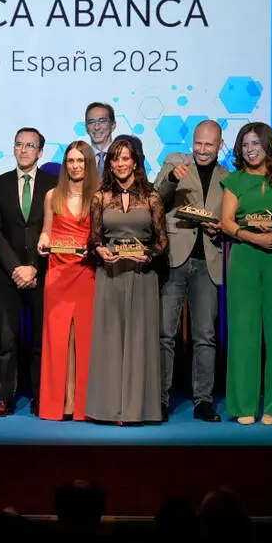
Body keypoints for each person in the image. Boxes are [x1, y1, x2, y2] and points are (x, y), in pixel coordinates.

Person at [218, 122, 272, 425]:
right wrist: (254, 237)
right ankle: (243, 404)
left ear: (269, 145)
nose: (250, 150)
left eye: (256, 143)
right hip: (244, 257)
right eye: (245, 144)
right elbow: (226, 222)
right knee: (243, 330)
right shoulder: (235, 181)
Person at [84, 137, 167, 425]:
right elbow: (94, 238)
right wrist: (100, 250)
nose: (120, 164)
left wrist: (150, 255)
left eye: (125, 158)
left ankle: (136, 409)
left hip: (143, 276)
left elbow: (162, 241)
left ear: (135, 161)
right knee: (110, 340)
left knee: (139, 340)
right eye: (115, 159)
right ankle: (109, 409)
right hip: (112, 274)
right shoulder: (100, 197)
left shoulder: (152, 196)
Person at [152, 120, 228, 423]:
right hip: (174, 258)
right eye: (198, 143)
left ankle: (203, 401)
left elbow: (231, 220)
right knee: (164, 333)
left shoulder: (228, 177)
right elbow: (155, 198)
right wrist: (171, 178)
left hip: (208, 260)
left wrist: (219, 226)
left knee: (205, 336)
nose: (202, 150)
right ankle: (159, 399)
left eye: (209, 145)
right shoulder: (175, 162)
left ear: (220, 145)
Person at [0, 127, 57, 416]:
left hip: (43, 273)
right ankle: (5, 398)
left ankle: (41, 397)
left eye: (30, 145)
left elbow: (56, 230)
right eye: (18, 144)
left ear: (40, 152)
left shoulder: (54, 185)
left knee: (41, 340)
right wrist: (17, 268)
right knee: (6, 340)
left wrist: (34, 268)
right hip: (7, 275)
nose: (23, 150)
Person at [35, 141, 99, 421]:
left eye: (80, 161)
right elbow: (46, 232)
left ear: (88, 164)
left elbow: (101, 236)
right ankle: (58, 404)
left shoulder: (98, 196)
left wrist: (93, 247)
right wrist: (43, 241)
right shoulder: (52, 195)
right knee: (57, 339)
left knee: (84, 339)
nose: (75, 165)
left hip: (86, 272)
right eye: (71, 160)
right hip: (58, 273)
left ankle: (82, 405)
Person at [84, 102, 116, 171]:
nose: (97, 127)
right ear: (86, 127)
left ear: (113, 125)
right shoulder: (80, 161)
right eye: (91, 122)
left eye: (102, 121)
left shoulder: (125, 158)